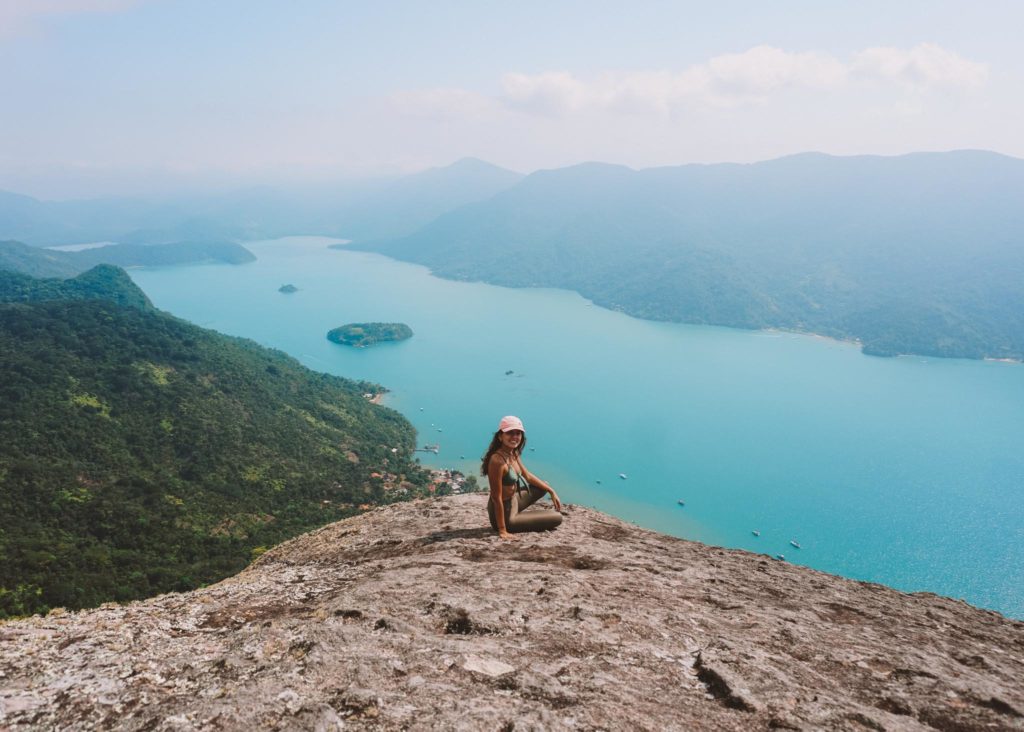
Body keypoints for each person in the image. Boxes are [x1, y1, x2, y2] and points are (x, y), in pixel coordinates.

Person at [482, 415, 562, 539]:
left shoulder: (513, 453)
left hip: (514, 501)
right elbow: (496, 497)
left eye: (518, 433)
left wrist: (551, 491)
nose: (515, 437)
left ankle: (524, 517)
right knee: (557, 518)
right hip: (506, 516)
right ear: (500, 436)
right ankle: (514, 522)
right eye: (510, 433)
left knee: (543, 486)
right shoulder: (497, 461)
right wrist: (502, 530)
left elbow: (528, 476)